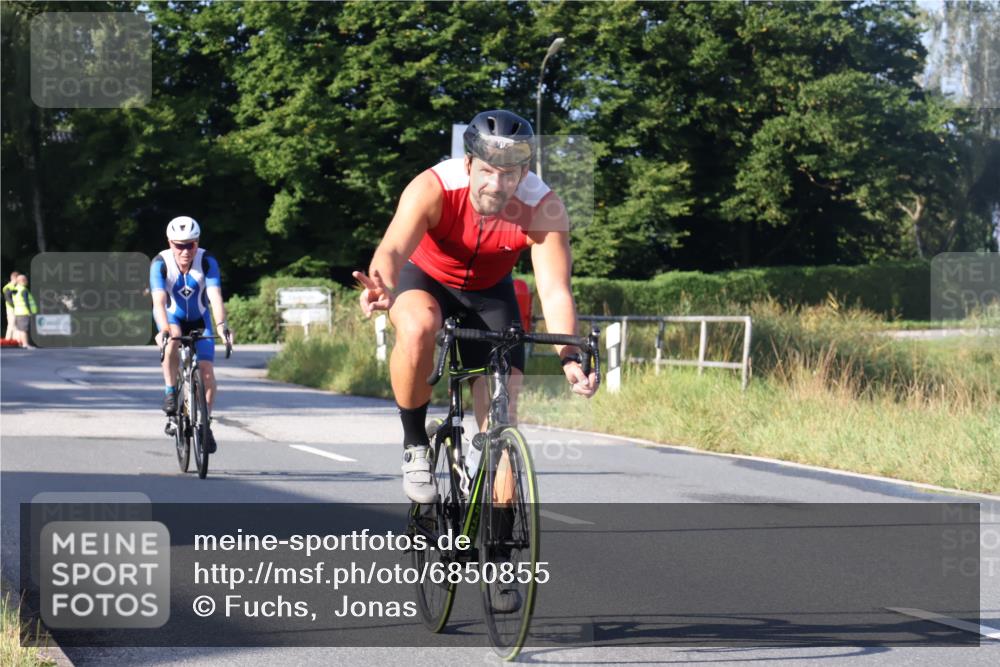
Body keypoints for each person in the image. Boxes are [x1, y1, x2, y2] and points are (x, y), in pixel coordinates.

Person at [354, 109, 599, 505]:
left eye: (509, 174)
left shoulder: (543, 207)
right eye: (487, 171)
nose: (496, 184)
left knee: (501, 414)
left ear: (524, 172)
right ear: (468, 163)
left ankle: (500, 533)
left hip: (489, 293)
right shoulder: (434, 186)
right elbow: (394, 247)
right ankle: (415, 444)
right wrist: (381, 284)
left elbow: (555, 291)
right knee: (418, 326)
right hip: (425, 279)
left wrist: (569, 356)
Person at [150, 216, 233, 452]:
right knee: (173, 339)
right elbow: (159, 302)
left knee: (207, 372)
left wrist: (222, 325)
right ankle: (169, 390)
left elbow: (215, 297)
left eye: (191, 245)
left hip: (201, 318)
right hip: (172, 317)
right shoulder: (160, 263)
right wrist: (163, 329)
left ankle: (205, 424)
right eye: (179, 245)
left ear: (197, 243)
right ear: (170, 243)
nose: (185, 251)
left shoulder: (207, 260)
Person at [11, 273, 37, 348]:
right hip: (24, 312)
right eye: (25, 280)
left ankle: (21, 343)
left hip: (18, 312)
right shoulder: (23, 290)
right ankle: (26, 344)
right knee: (24, 330)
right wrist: (29, 311)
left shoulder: (15, 289)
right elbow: (26, 302)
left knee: (20, 329)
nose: (27, 281)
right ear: (22, 281)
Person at [3, 271, 20, 340]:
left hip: (16, 308)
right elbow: (8, 299)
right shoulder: (8, 287)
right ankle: (7, 341)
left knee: (16, 325)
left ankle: (15, 341)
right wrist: (15, 306)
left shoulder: (16, 286)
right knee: (11, 324)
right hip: (11, 309)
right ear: (14, 278)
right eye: (18, 279)